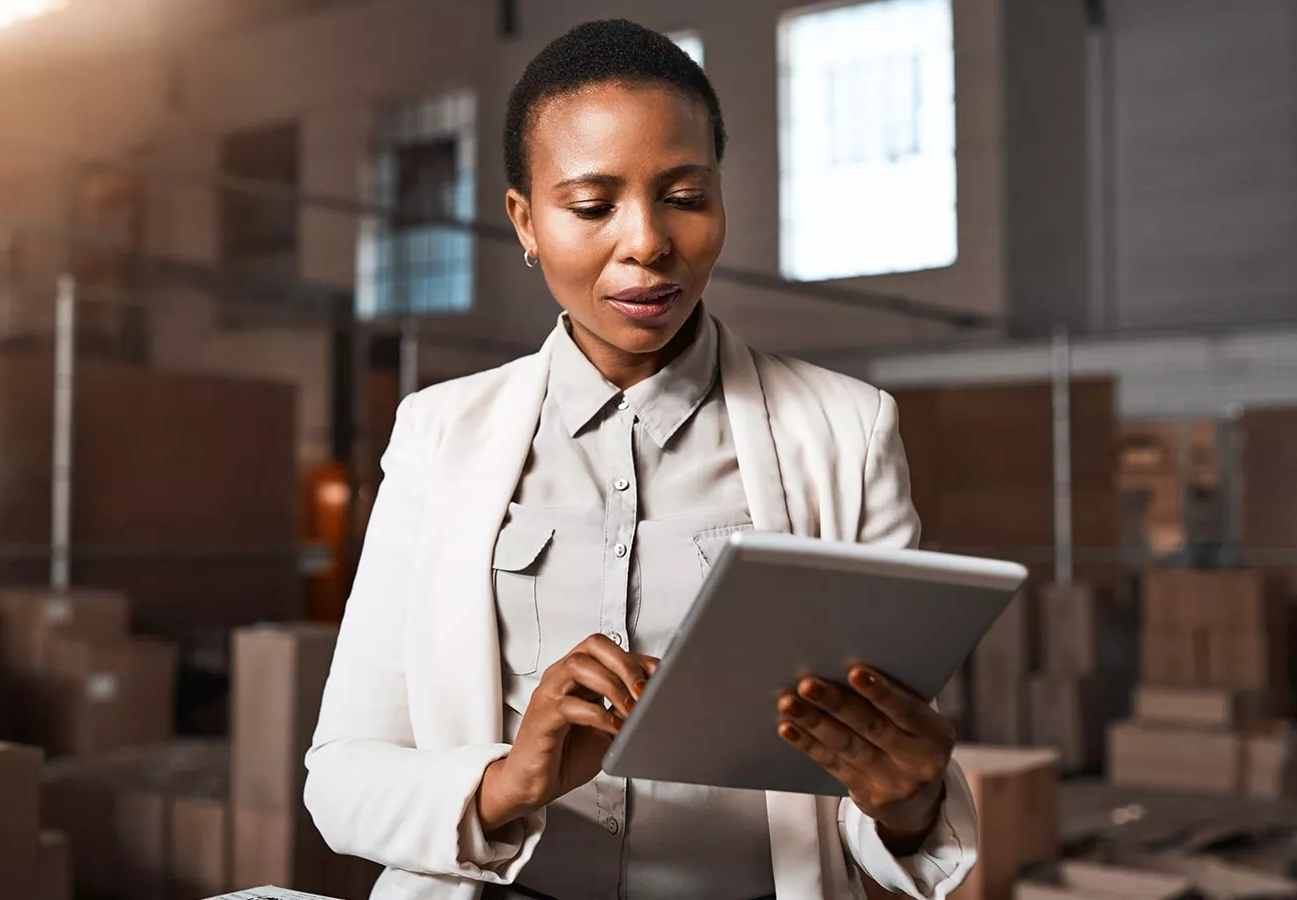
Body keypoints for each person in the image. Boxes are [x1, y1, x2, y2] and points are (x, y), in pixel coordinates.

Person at [303, 18, 978, 900]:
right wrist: (511, 780)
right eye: (591, 207)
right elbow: (343, 775)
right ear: (526, 221)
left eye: (686, 196)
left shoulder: (846, 433)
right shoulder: (440, 435)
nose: (647, 242)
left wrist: (911, 801)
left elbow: (875, 787)